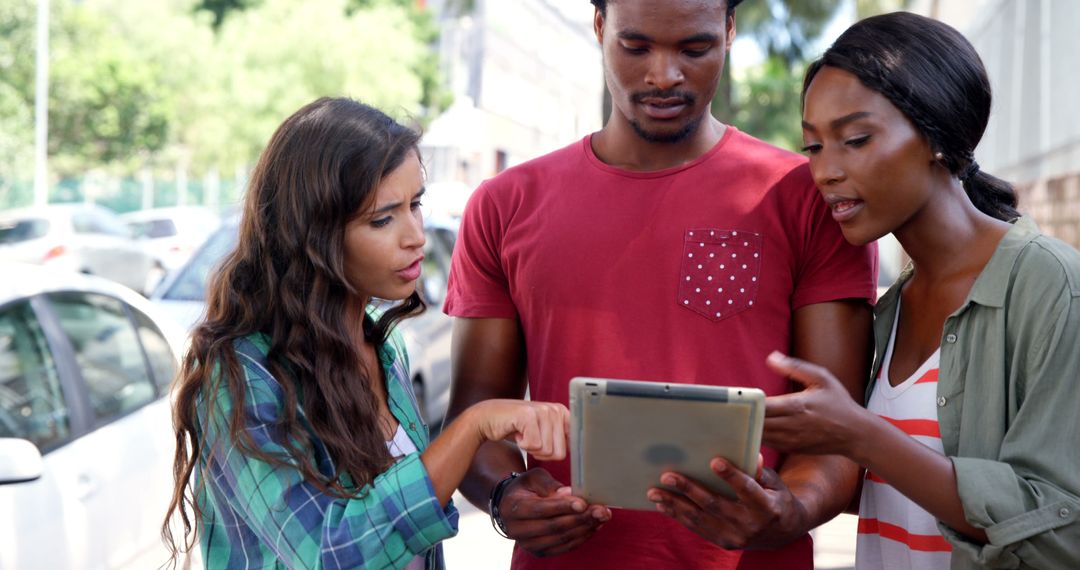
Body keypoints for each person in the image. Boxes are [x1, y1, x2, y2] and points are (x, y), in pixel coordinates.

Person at [441, 0, 878, 567]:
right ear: (599, 27)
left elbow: (838, 427)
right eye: (636, 46)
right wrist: (507, 497)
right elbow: (476, 416)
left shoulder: (806, 198)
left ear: (728, 32)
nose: (664, 75)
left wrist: (790, 508)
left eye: (694, 49)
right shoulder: (505, 205)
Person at [161, 97, 571, 570]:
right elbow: (328, 553)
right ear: (312, 235)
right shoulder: (241, 372)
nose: (415, 234)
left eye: (415, 204)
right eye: (383, 218)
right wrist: (471, 427)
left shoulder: (383, 343)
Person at [762, 11, 1080, 570]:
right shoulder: (888, 313)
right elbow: (904, 499)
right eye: (813, 147)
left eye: (855, 139)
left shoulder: (1051, 287)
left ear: (936, 134)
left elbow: (1062, 530)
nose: (825, 171)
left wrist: (863, 436)